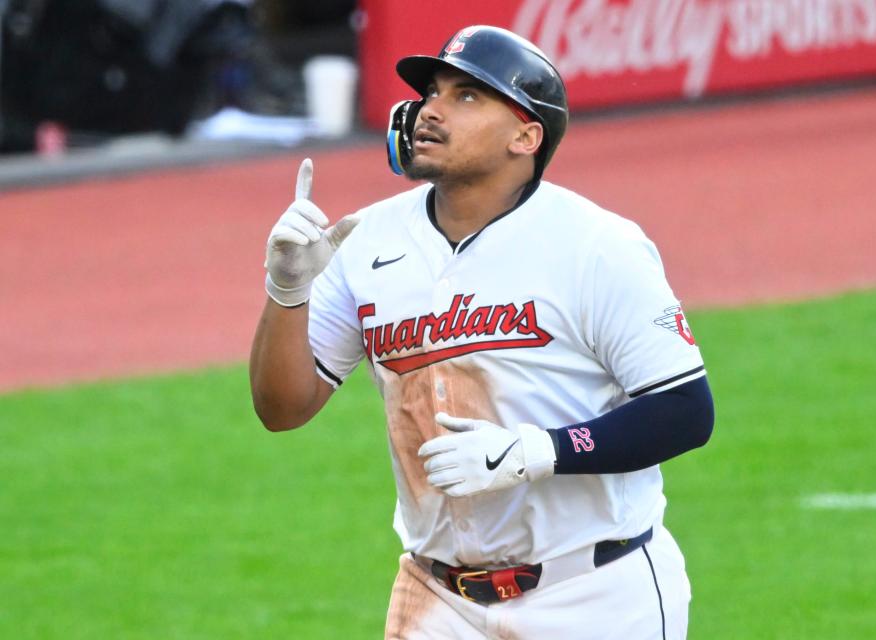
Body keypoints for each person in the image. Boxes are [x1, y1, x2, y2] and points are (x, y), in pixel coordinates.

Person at [249, 25, 714, 640]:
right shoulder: (367, 242)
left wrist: (535, 453)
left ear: (527, 136)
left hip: (595, 594)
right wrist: (288, 293)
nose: (431, 109)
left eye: (467, 96)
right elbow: (282, 409)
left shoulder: (598, 246)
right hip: (438, 598)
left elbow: (685, 410)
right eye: (433, 91)